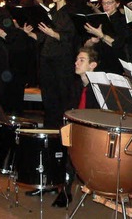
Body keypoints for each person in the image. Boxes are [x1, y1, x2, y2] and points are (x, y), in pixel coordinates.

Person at [22, 0, 76, 129]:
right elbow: (42, 36)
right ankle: (49, 130)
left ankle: (60, 131)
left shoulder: (70, 13)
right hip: (46, 58)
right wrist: (30, 34)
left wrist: (53, 33)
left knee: (61, 97)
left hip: (62, 60)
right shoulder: (50, 11)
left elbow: (69, 38)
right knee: (48, 98)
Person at [52, 46, 100, 207]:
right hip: (77, 128)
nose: (76, 63)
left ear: (93, 65)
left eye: (82, 60)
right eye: (77, 59)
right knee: (57, 138)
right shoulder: (75, 86)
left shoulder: (99, 88)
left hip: (93, 133)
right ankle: (54, 183)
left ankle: (65, 190)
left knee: (69, 144)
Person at [84, 0, 132, 73]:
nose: (106, 6)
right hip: (101, 63)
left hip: (116, 65)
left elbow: (118, 44)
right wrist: (92, 41)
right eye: (103, 3)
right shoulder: (100, 19)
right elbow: (86, 46)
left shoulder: (123, 20)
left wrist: (102, 36)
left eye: (109, 3)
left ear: (117, 4)